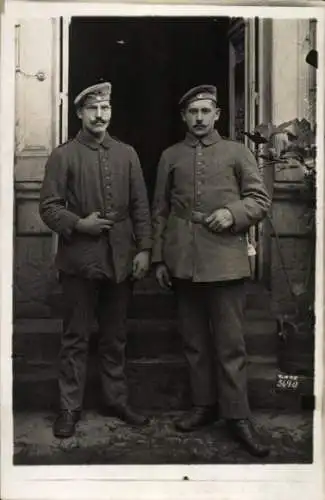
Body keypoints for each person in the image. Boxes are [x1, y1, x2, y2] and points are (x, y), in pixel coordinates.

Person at [151, 85, 271, 457]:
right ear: (184, 116)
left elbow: (260, 200)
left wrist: (232, 214)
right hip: (183, 260)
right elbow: (160, 211)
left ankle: (238, 416)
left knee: (231, 344)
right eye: (193, 112)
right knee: (194, 342)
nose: (199, 118)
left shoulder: (237, 153)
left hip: (225, 259)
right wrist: (158, 258)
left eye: (206, 111)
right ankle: (204, 406)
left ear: (217, 114)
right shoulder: (170, 156)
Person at [39, 82, 152, 438]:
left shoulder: (127, 153)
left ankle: (115, 400)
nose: (100, 115)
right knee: (75, 336)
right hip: (79, 261)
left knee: (115, 336)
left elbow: (140, 207)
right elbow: (48, 207)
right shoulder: (64, 155)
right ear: (79, 114)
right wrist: (78, 224)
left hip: (121, 259)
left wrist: (145, 249)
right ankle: (69, 407)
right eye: (92, 109)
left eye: (105, 108)